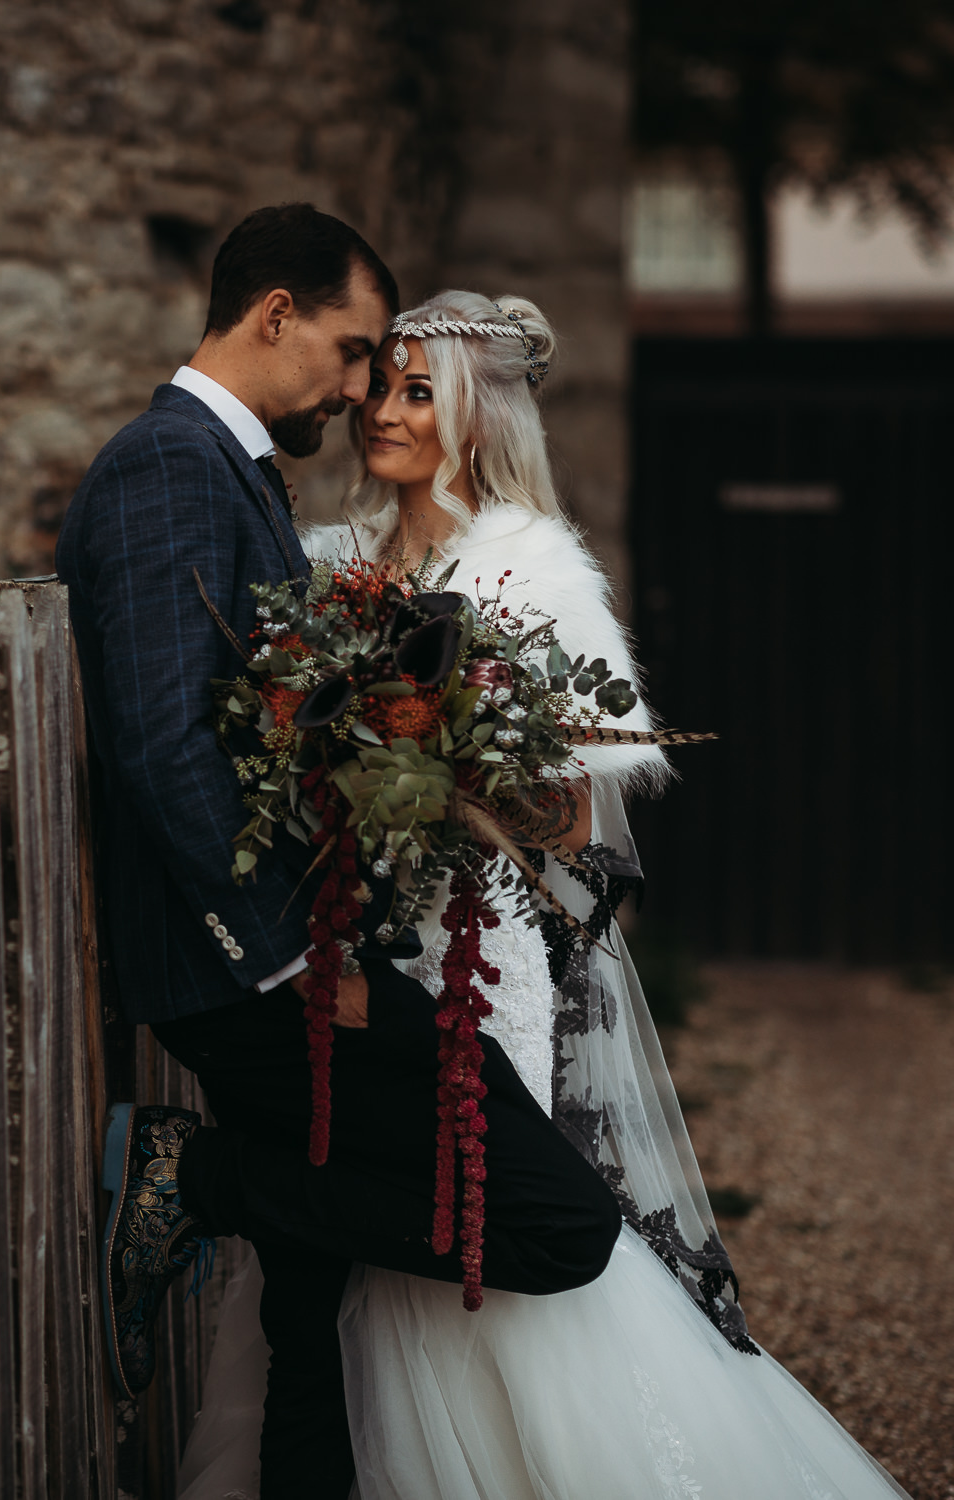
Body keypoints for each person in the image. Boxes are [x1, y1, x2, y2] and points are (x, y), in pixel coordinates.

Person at [177, 291, 912, 1500]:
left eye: (419, 392)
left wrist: (426, 769)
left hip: (479, 944)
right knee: (359, 1204)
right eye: (384, 386)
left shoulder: (530, 564)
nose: (383, 411)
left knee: (482, 1194)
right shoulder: (332, 560)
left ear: (474, 417)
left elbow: (568, 818)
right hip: (345, 940)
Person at [55, 213, 624, 1500]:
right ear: (273, 316)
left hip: (317, 945)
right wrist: (286, 967)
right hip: (268, 970)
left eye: (396, 373)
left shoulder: (236, 470)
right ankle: (188, 1172)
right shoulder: (173, 468)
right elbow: (158, 745)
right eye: (358, 351)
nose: (365, 389)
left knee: (305, 1327)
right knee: (551, 1219)